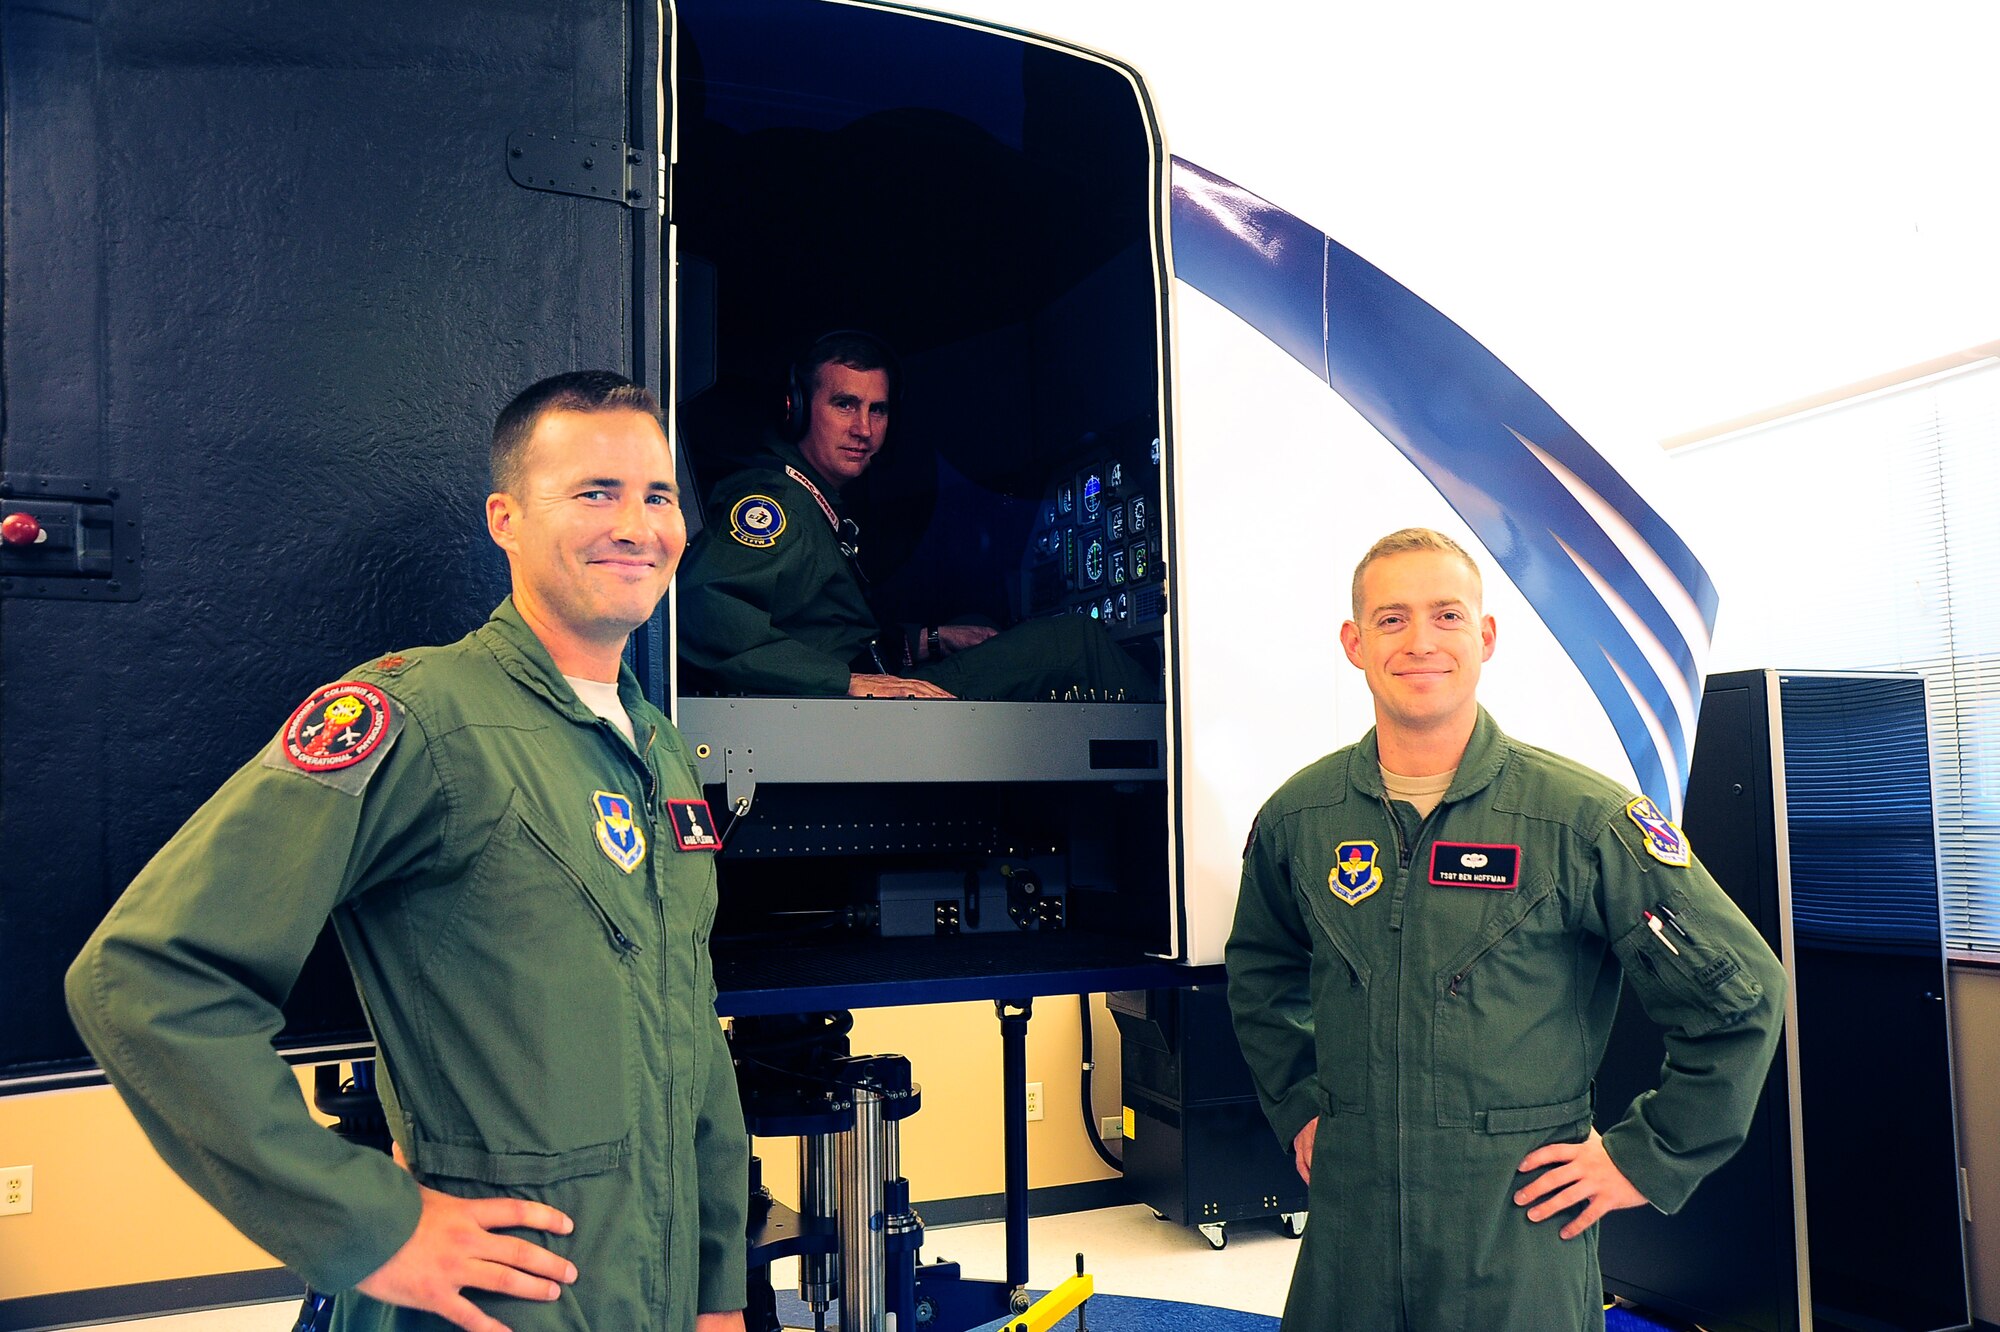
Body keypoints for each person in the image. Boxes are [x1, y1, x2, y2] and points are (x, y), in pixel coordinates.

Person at [66, 373, 747, 1332]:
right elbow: (143, 978)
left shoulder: (660, 750)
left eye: (659, 495)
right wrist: (371, 1226)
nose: (638, 525)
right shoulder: (421, 720)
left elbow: (691, 1037)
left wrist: (717, 1289)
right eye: (595, 493)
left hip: (657, 1297)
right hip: (493, 1305)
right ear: (505, 519)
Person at [1225, 527, 1786, 1331]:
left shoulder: (1582, 821)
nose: (1420, 641)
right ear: (1354, 643)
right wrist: (1299, 1103)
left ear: (1485, 638)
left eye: (1447, 616)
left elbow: (1740, 993)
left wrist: (1646, 1155)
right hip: (1349, 1235)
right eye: (1391, 619)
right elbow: (1261, 969)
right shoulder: (1299, 819)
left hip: (1515, 1227)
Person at [675, 330, 1156, 701]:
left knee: (973, 622)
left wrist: (925, 641)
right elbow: (700, 612)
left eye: (877, 411)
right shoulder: (776, 506)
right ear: (796, 409)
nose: (863, 429)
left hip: (855, 695)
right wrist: (847, 683)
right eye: (845, 404)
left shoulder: (814, 499)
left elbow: (825, 629)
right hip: (845, 716)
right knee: (1072, 641)